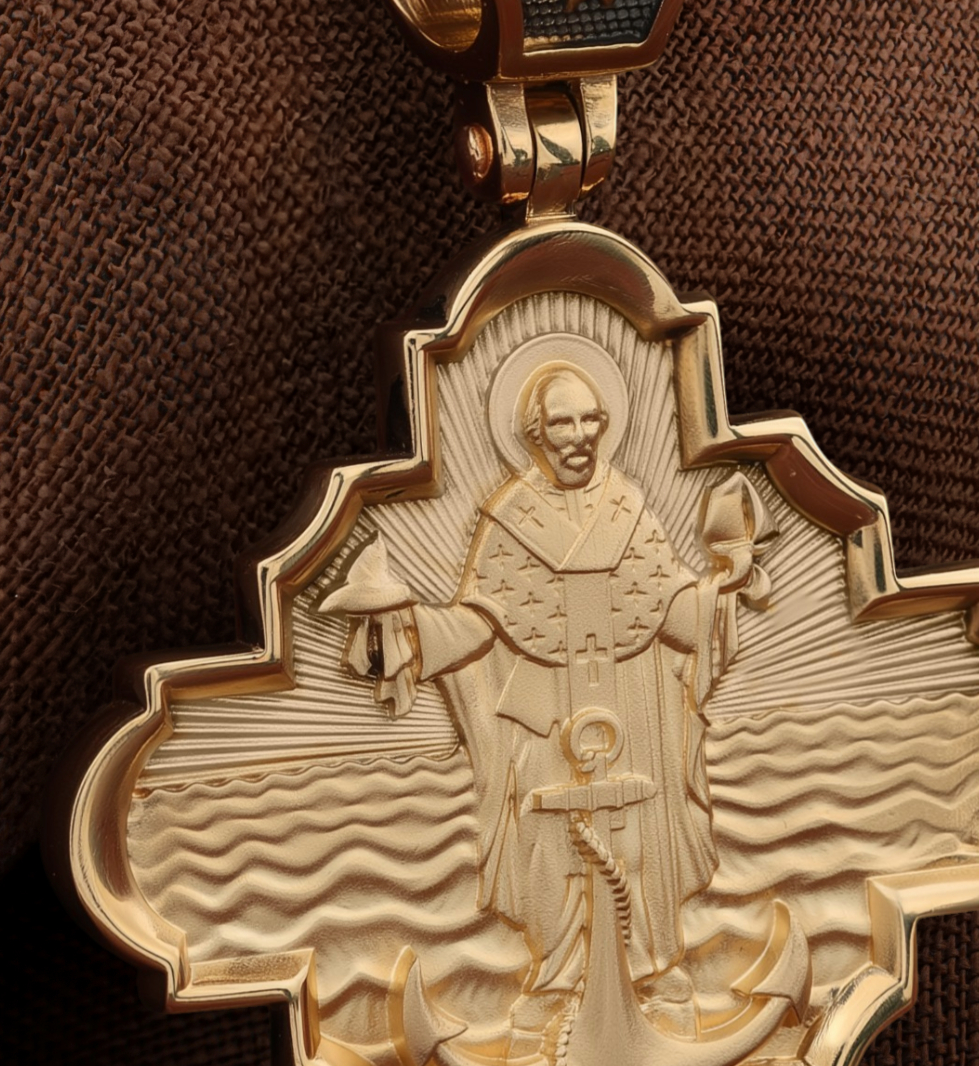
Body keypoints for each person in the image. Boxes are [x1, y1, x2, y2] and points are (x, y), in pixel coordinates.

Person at [324, 358, 766, 1031]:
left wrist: (722, 589)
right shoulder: (510, 519)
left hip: (631, 708)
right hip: (544, 715)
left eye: (592, 419)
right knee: (550, 845)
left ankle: (650, 965)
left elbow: (672, 614)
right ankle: (560, 974)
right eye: (563, 422)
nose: (580, 435)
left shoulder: (628, 507)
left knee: (639, 840)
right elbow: (482, 622)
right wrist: (407, 629)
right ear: (534, 434)